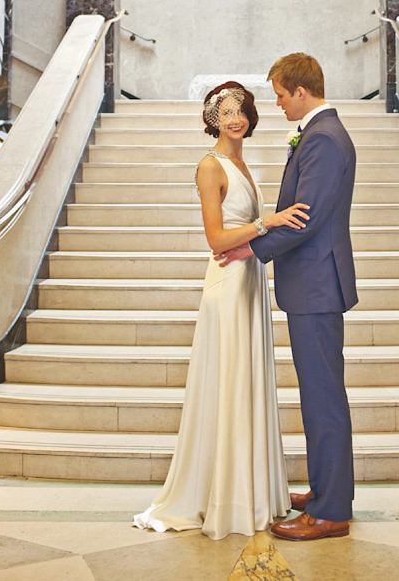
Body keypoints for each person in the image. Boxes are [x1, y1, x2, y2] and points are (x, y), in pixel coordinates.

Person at [133, 81, 310, 540]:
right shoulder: (210, 166)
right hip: (228, 285)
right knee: (230, 381)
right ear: (213, 119)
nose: (235, 118)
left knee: (246, 381)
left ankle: (251, 490)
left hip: (249, 280)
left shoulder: (240, 162)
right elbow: (216, 239)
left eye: (241, 110)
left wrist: (259, 232)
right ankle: (225, 498)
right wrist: (265, 222)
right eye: (226, 111)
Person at [218, 54, 357, 542]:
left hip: (317, 285)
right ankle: (325, 493)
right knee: (320, 395)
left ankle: (331, 511)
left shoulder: (322, 137)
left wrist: (249, 248)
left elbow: (306, 217)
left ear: (301, 91)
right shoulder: (323, 134)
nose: (274, 103)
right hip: (315, 283)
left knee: (323, 399)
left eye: (279, 94)